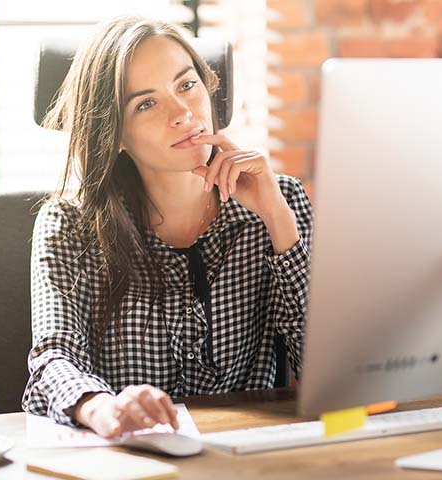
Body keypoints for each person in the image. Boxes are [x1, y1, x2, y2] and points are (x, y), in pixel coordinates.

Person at [22, 15, 313, 439]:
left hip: (247, 456)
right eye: (145, 103)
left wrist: (277, 218)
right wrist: (105, 409)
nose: (182, 113)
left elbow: (328, 368)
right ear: (114, 133)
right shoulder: (69, 224)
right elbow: (53, 358)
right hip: (131, 456)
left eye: (187, 85)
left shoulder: (279, 201)